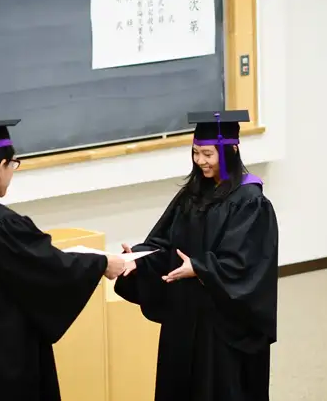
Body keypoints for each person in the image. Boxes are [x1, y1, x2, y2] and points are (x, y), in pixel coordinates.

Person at [0, 119, 126, 400]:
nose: (11, 174)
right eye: (12, 165)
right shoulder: (2, 225)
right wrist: (101, 263)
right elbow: (48, 271)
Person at [114, 110, 279, 401]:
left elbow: (246, 264)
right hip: (184, 311)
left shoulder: (250, 201)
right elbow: (165, 242)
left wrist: (201, 268)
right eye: (195, 152)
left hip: (221, 322)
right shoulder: (192, 194)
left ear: (231, 150)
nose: (200, 161)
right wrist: (139, 258)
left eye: (207, 154)